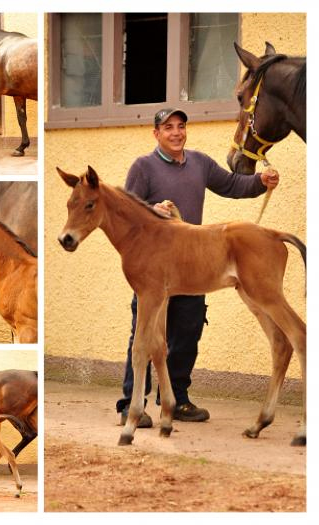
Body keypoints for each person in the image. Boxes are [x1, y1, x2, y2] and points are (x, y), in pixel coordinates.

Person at [116, 108, 280, 427]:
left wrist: (260, 181)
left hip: (193, 265)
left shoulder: (200, 163)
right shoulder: (143, 167)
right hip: (154, 269)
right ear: (156, 134)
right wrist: (152, 209)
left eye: (181, 127)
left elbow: (232, 184)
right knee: (145, 333)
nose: (176, 133)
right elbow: (126, 212)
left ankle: (176, 399)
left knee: (188, 332)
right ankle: (129, 404)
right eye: (168, 128)